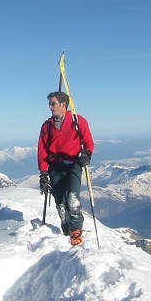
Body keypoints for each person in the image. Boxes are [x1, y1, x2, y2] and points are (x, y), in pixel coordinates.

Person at [38, 91, 94, 245]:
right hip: (55, 166)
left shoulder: (78, 120)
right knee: (60, 203)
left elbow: (88, 142)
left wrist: (87, 154)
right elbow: (42, 150)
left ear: (63, 105)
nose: (50, 107)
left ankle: (76, 233)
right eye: (50, 104)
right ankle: (66, 228)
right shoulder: (47, 126)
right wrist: (43, 173)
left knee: (72, 199)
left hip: (73, 165)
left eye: (53, 103)